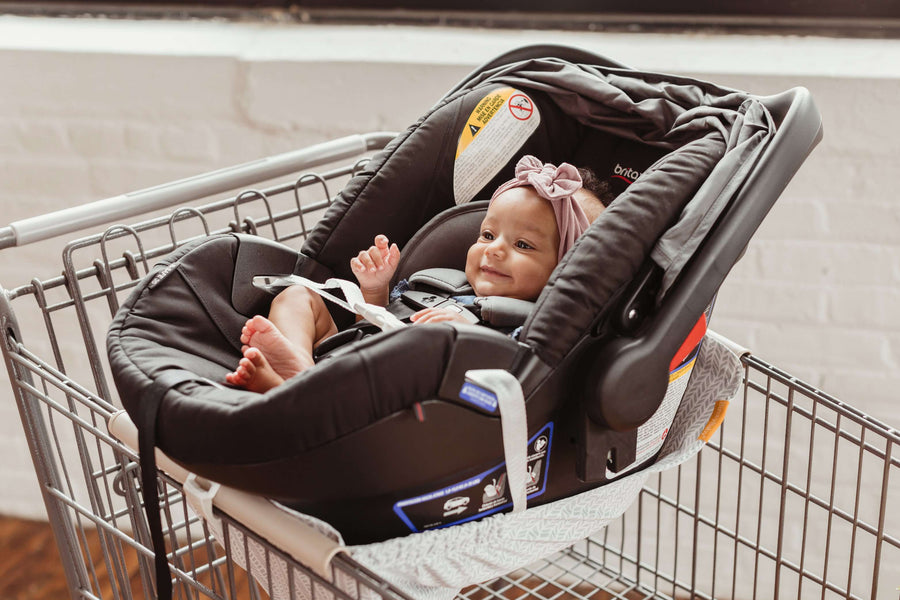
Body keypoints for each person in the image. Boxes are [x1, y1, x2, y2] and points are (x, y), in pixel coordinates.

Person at [226, 156, 606, 393]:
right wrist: (375, 293)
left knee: (420, 350)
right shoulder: (439, 282)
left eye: (523, 245)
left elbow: (506, 379)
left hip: (386, 393)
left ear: (564, 268)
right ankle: (298, 371)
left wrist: (463, 336)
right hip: (347, 352)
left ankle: (294, 388)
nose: (494, 249)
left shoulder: (531, 328)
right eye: (488, 235)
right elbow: (369, 327)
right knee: (297, 297)